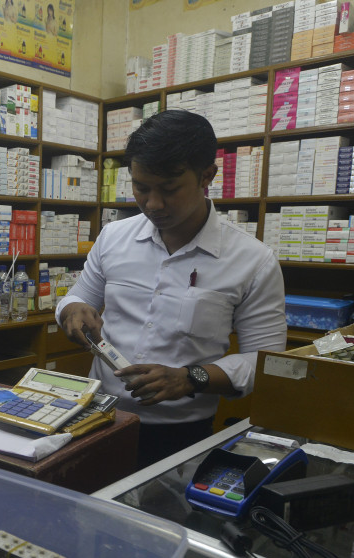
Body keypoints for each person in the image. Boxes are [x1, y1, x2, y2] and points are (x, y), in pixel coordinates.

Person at [55, 110, 286, 469]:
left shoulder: (253, 261)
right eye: (141, 188)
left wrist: (189, 378)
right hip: (96, 419)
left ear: (207, 175)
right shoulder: (115, 237)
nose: (152, 204)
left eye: (169, 189)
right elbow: (78, 298)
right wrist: (72, 311)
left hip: (179, 438)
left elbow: (265, 363)